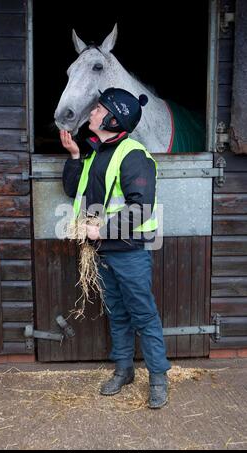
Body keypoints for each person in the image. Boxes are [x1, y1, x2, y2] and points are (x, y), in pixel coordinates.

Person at [61, 88, 171, 408]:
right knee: (118, 313)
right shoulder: (97, 152)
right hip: (102, 251)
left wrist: (102, 229)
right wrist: (73, 156)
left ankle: (159, 378)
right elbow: (73, 189)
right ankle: (124, 370)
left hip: (129, 251)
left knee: (143, 315)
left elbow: (142, 209)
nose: (92, 112)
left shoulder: (133, 155)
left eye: (98, 109)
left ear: (113, 117)